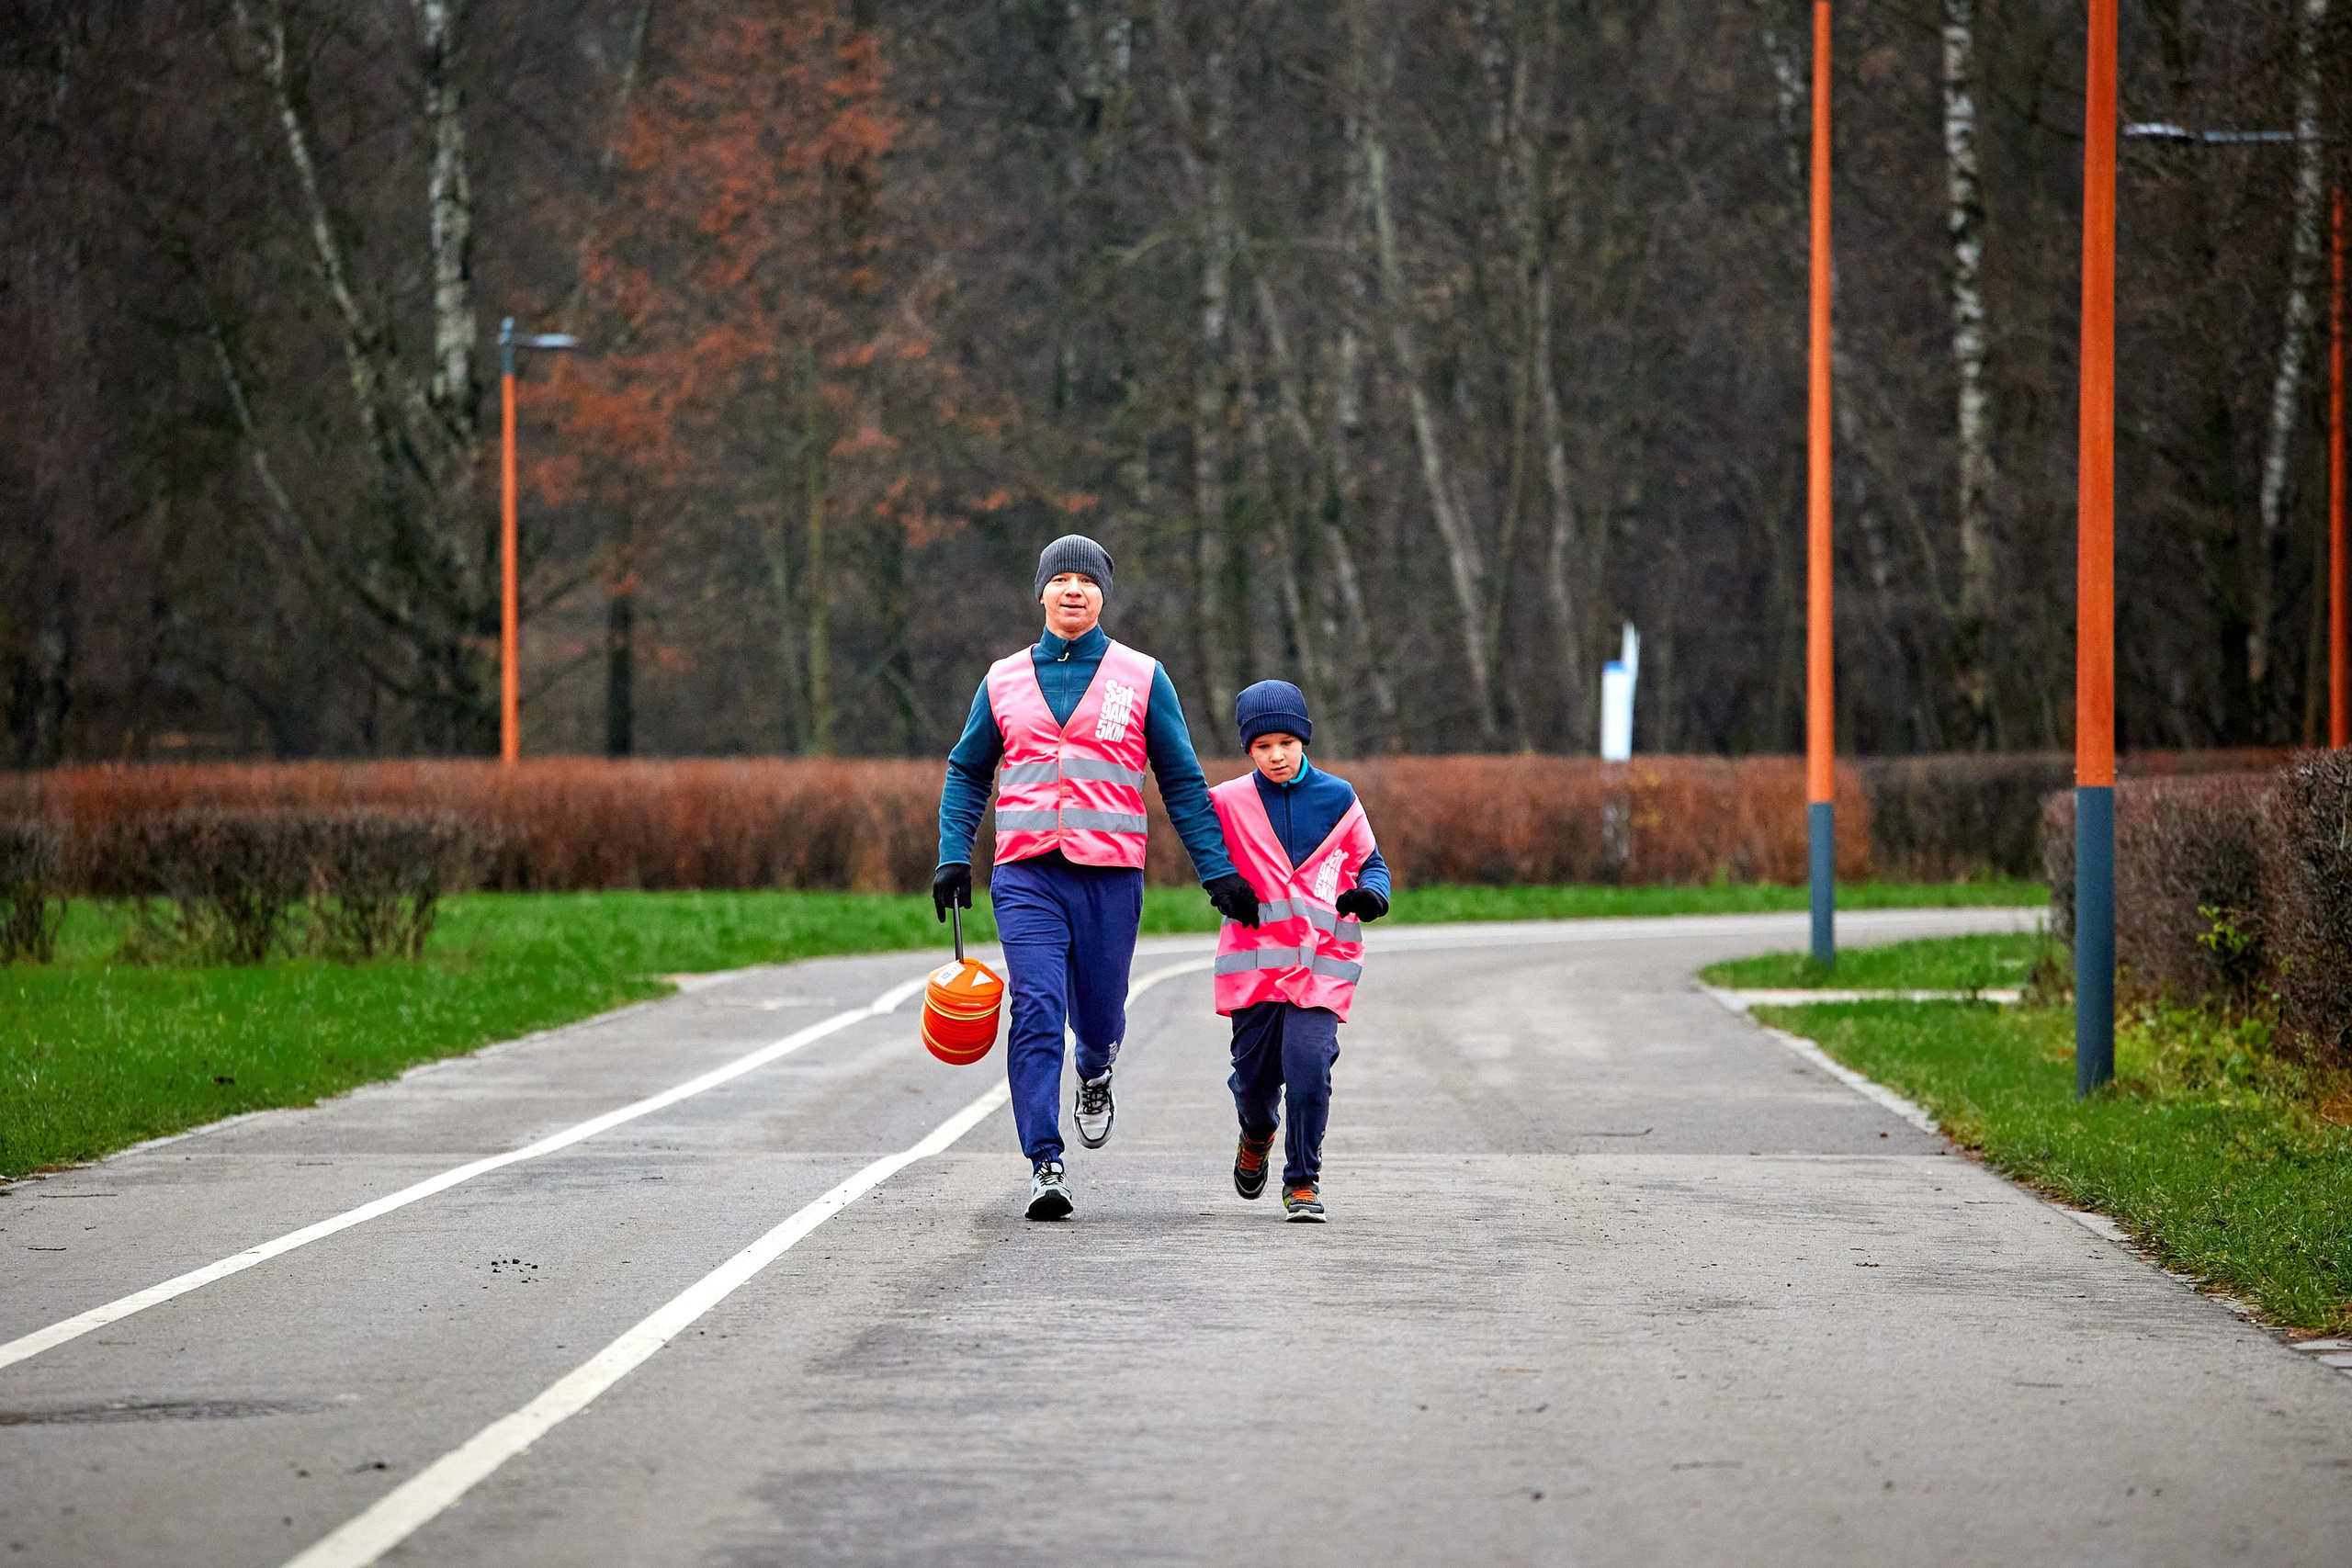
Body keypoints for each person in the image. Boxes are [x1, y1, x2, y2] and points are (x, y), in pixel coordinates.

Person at [933, 535, 1261, 1221]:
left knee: (1102, 1014)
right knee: (1035, 1007)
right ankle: (1044, 1162)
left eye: (1087, 580)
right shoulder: (1002, 680)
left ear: (1103, 595)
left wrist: (1218, 873)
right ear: (1042, 592)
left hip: (1110, 877)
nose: (1074, 590)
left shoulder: (1142, 677)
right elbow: (967, 771)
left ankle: (1096, 1067)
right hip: (1026, 875)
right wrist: (953, 855)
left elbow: (1181, 781)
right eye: (1061, 579)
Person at [1207, 680, 1390, 1223]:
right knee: (1255, 1085)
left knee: (1310, 1068)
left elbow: (1371, 863)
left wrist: (1372, 894)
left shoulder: (1338, 797)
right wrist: (1219, 887)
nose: (1276, 756)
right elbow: (1208, 855)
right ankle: (1256, 1132)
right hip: (1255, 969)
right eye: (1262, 746)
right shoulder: (1228, 801)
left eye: (1286, 742)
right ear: (1248, 749)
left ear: (1303, 739)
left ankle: (1302, 1182)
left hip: (1322, 965)